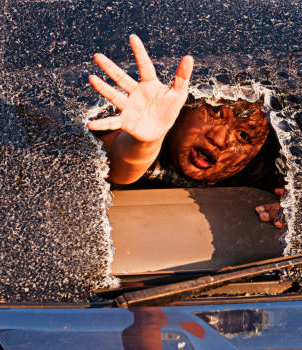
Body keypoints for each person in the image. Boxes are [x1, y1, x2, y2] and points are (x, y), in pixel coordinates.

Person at [88, 34, 284, 228]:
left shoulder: (260, 182)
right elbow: (118, 163)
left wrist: (290, 210)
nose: (218, 139)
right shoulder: (141, 143)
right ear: (186, 104)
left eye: (243, 135)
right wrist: (144, 143)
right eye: (215, 111)